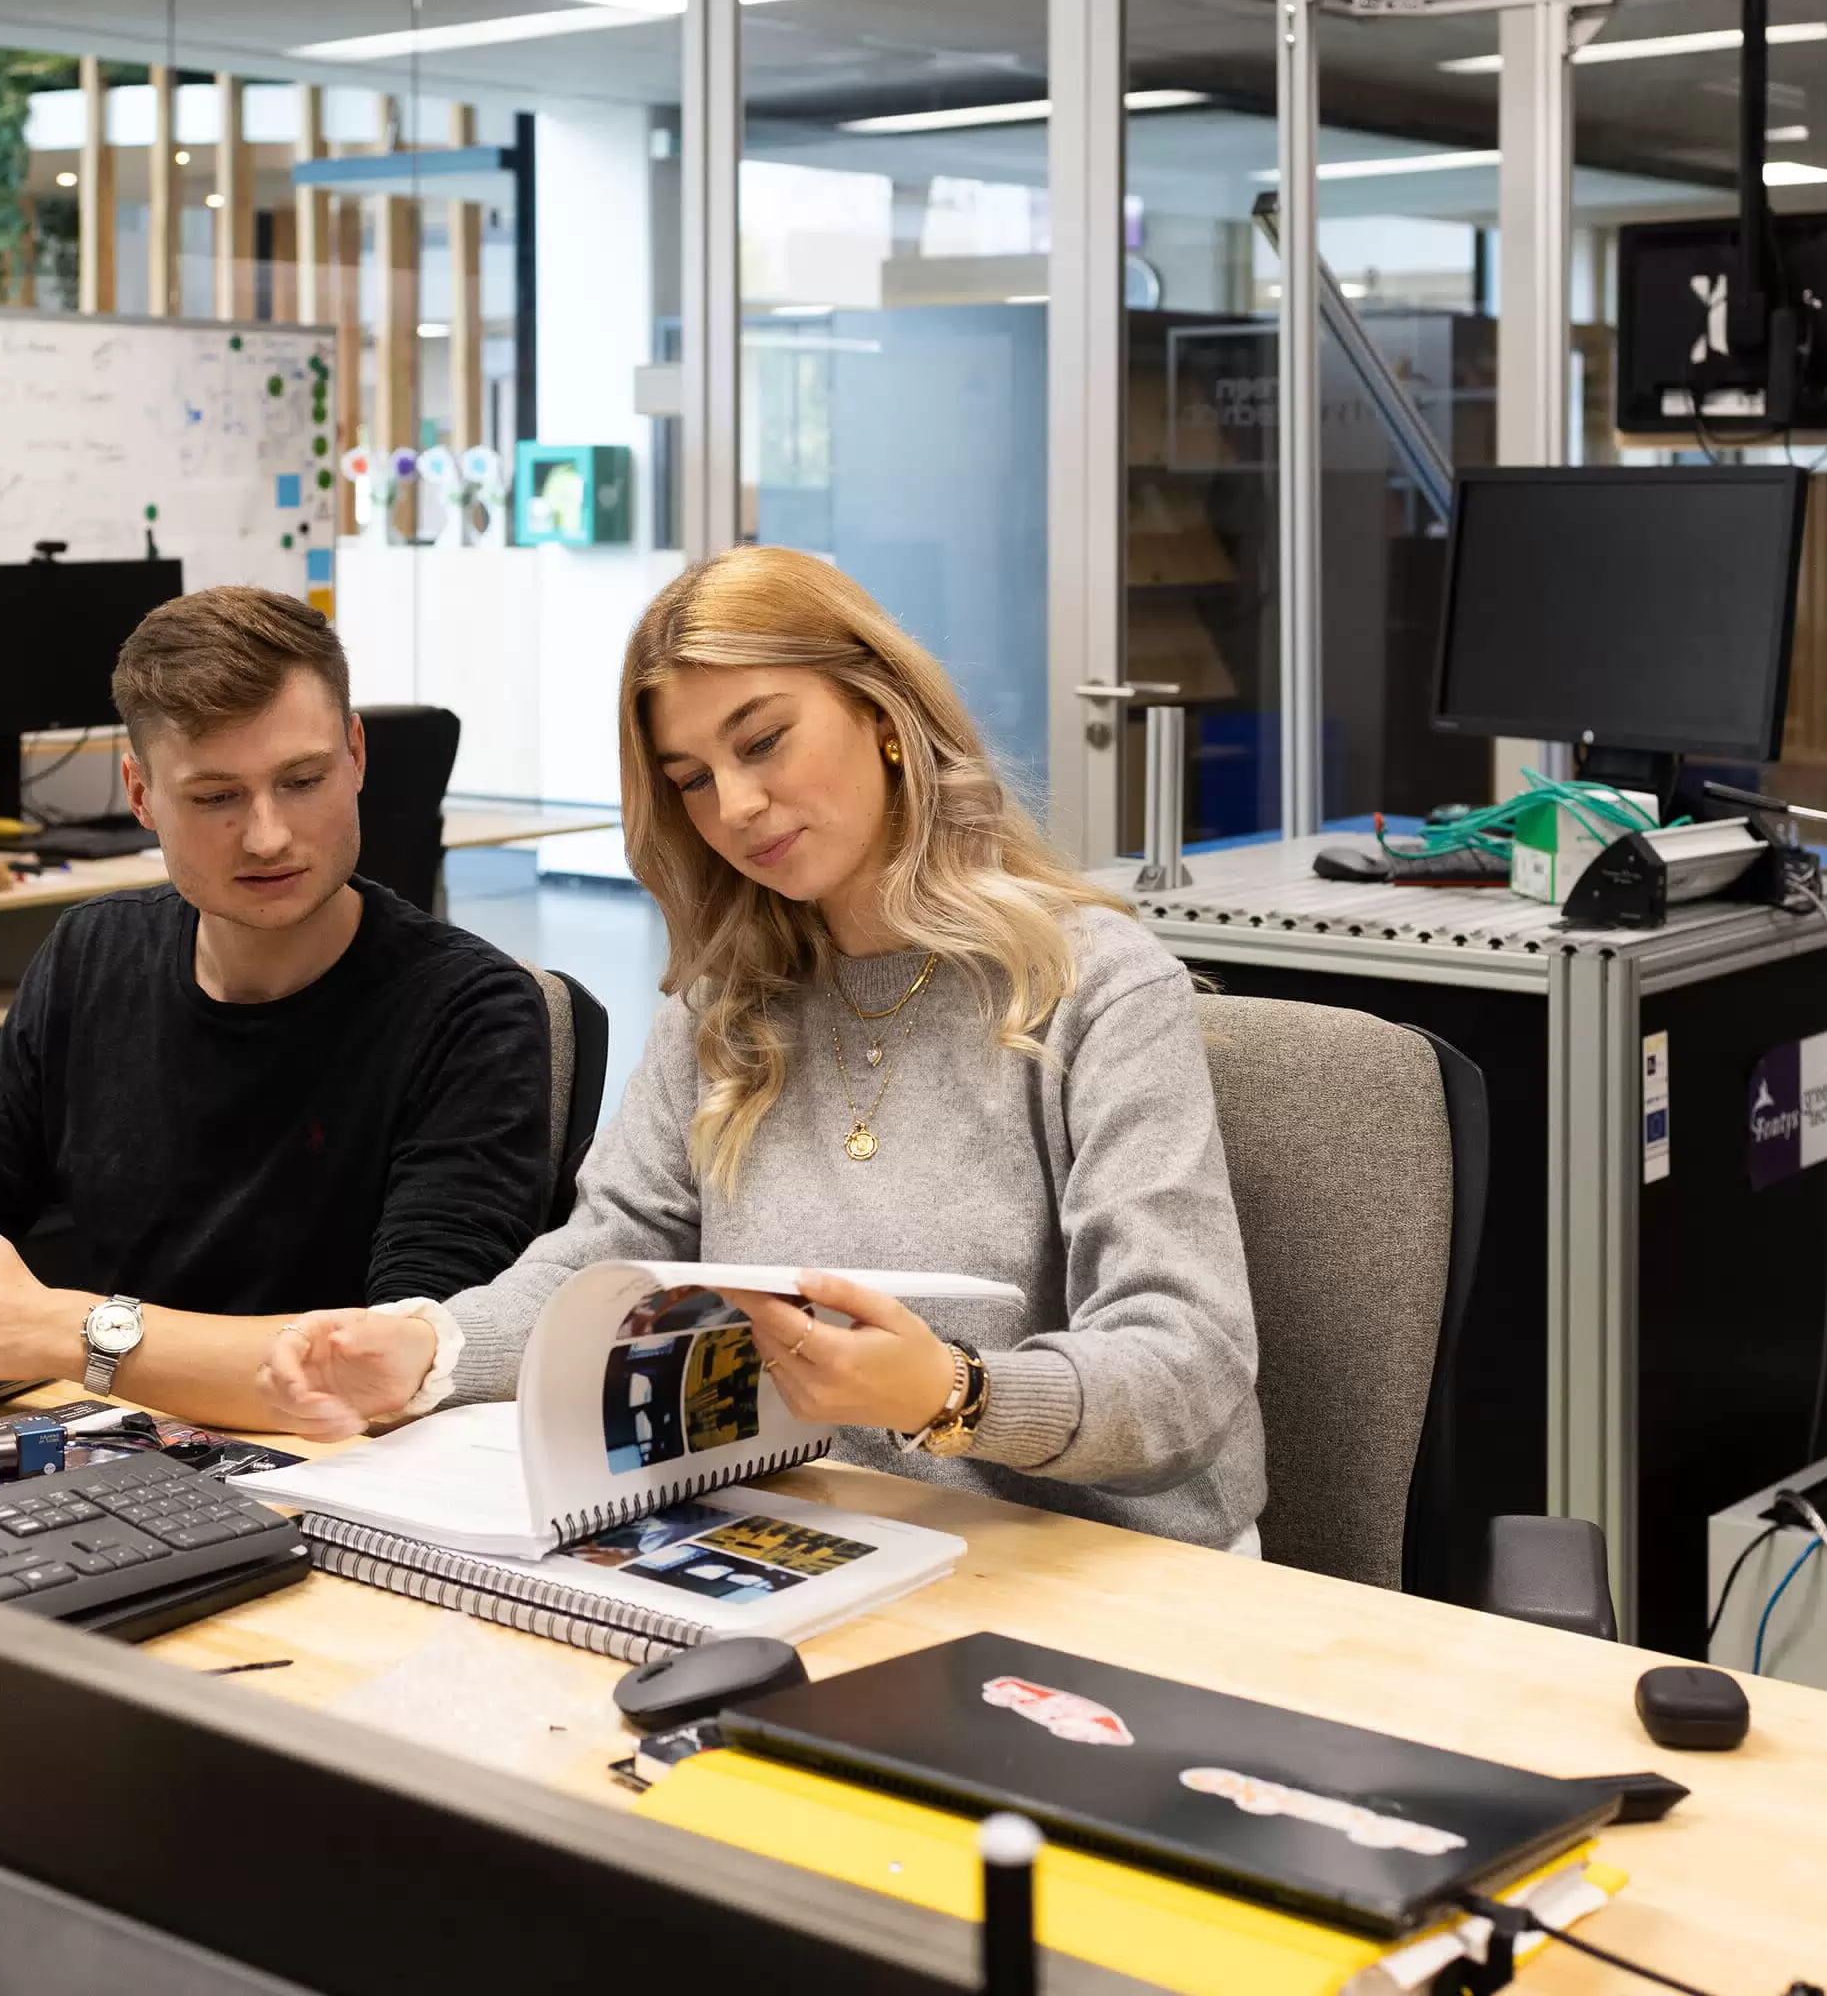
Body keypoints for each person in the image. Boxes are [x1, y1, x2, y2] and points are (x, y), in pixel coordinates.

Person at [258, 546, 1267, 1551]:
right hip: (831, 1537)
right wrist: (429, 1343)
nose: (733, 808)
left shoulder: (1097, 987)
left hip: (1095, 1568)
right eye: (692, 779)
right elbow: (607, 1256)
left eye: (765, 742)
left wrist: (954, 1393)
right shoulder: (726, 1005)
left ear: (881, 713)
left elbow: (1188, 1362)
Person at [0, 584, 553, 1427]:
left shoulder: (473, 1011)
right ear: (140, 794)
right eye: (216, 797)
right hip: (127, 1449)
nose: (267, 836)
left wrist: (63, 1331)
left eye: (303, 780)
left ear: (356, 755)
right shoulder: (91, 957)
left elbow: (390, 1366)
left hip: (346, 1481)